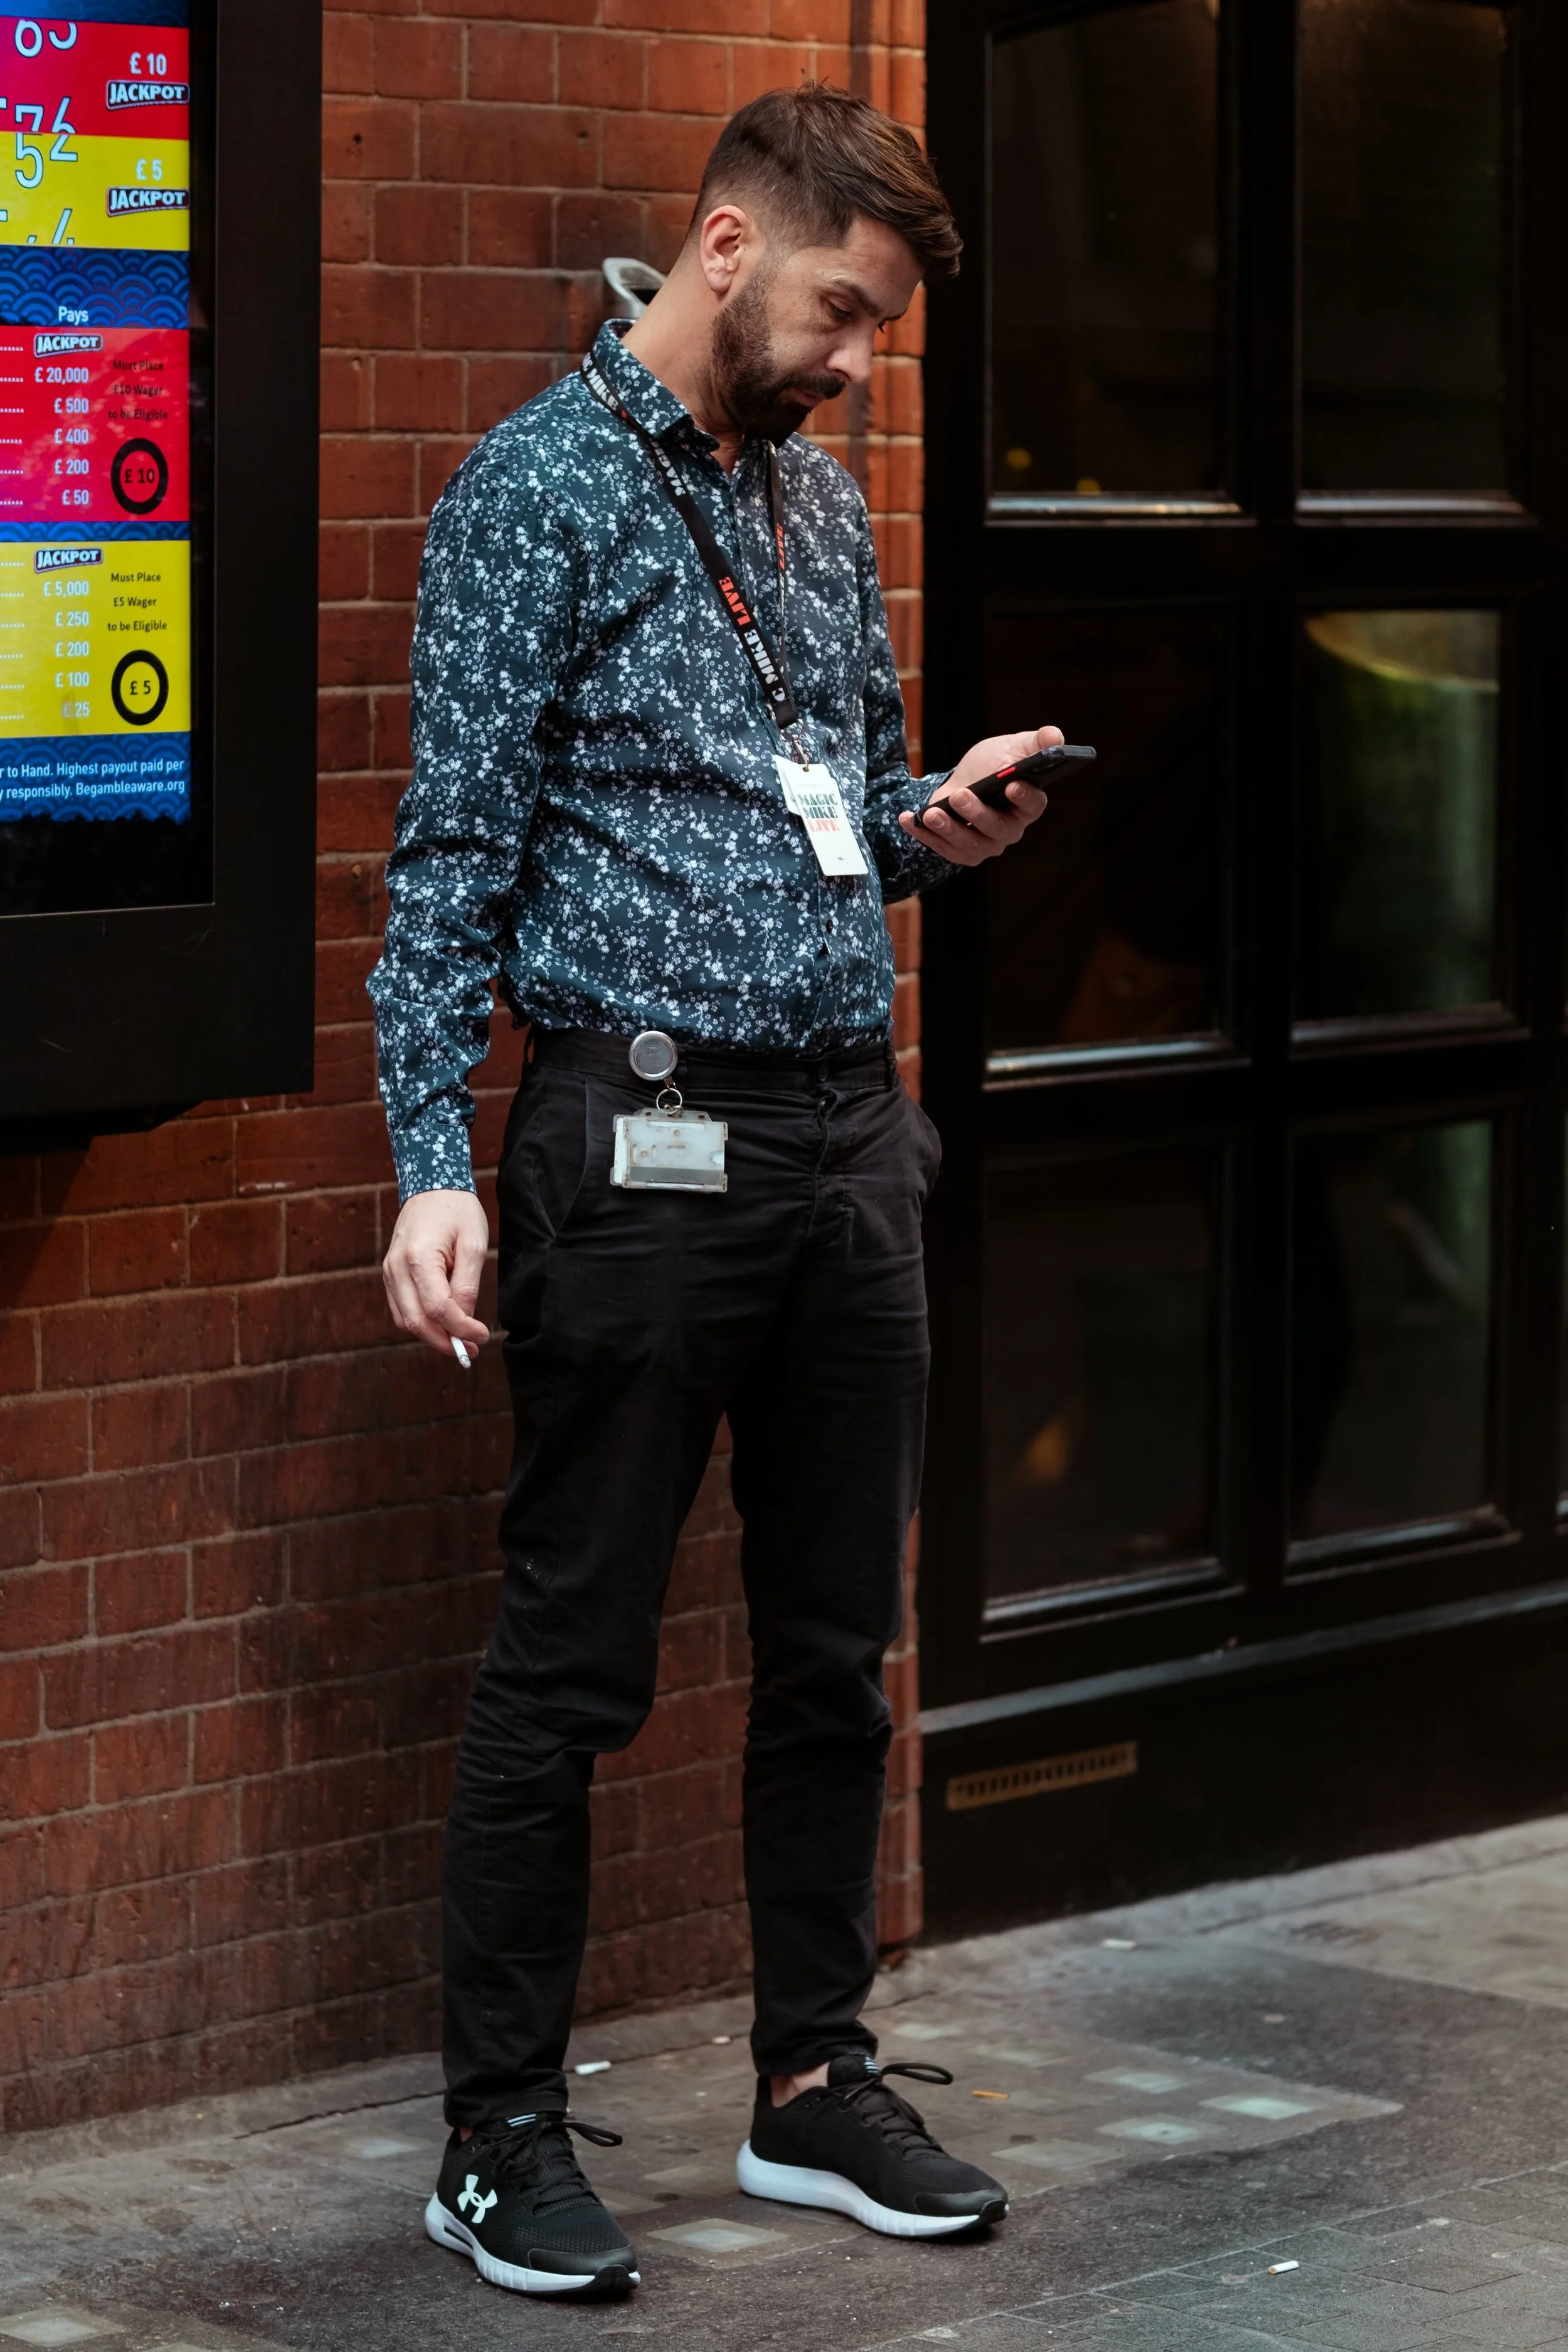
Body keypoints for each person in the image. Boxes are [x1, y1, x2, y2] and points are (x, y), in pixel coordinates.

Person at [369, 82, 1061, 2301]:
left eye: (882, 328)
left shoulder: (820, 513)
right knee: (570, 1665)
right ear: (730, 248)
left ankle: (808, 2083)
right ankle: (493, 2133)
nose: (860, 358)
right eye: (846, 311)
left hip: (844, 1143)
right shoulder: (536, 491)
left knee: (837, 1652)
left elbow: (825, 780)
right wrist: (423, 1164)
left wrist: (922, 809)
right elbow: (446, 867)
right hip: (638, 1150)